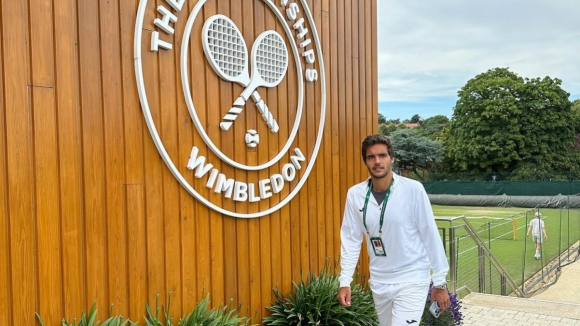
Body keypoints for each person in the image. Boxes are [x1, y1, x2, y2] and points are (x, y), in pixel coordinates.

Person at [337, 134, 450, 326]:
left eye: (382, 155)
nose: (377, 161)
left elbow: (430, 235)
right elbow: (351, 239)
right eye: (371, 157)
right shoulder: (355, 194)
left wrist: (439, 282)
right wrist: (345, 281)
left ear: (392, 158)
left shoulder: (413, 190)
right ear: (365, 161)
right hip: (380, 282)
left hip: (412, 279)